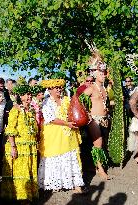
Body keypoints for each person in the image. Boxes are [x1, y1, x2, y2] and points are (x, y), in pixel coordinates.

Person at [38, 78, 85, 193]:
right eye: (56, 88)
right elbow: (51, 118)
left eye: (60, 87)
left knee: (71, 156)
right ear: (50, 90)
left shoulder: (67, 99)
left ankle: (76, 184)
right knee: (55, 157)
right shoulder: (46, 102)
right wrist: (66, 123)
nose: (59, 89)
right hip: (54, 135)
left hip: (68, 134)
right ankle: (55, 183)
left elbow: (73, 111)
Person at [1, 83, 39, 204]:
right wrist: (13, 147)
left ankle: (29, 194)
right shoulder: (15, 109)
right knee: (20, 172)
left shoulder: (31, 110)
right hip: (18, 145)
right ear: (20, 97)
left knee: (28, 171)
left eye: (30, 94)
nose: (29, 96)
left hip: (30, 145)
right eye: (26, 94)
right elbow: (10, 130)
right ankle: (22, 197)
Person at [81, 48, 110, 180]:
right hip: (94, 120)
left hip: (104, 119)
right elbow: (80, 100)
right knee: (98, 143)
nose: (104, 74)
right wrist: (88, 115)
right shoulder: (91, 88)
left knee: (101, 143)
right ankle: (100, 169)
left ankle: (93, 165)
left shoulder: (104, 88)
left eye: (104, 72)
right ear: (95, 74)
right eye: (101, 73)